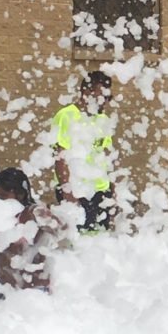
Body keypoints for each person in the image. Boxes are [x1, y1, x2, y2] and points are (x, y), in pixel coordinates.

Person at [53, 71, 116, 232]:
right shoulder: (66, 116)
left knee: (101, 237)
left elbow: (106, 157)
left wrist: (113, 191)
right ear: (86, 91)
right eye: (102, 96)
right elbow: (60, 156)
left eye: (108, 97)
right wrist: (68, 193)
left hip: (101, 190)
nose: (105, 102)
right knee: (78, 236)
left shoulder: (103, 120)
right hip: (76, 189)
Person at [0, 167, 65, 295]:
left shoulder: (29, 214)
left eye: (3, 196)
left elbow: (62, 230)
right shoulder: (0, 218)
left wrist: (47, 218)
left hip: (35, 294)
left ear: (20, 195)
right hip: (8, 294)